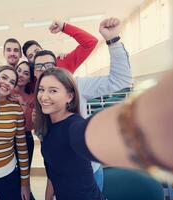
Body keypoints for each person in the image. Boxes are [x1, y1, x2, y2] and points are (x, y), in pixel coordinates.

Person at [34, 66, 173, 200]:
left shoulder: (74, 126)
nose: (44, 96)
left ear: (70, 96)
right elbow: (53, 173)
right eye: (41, 89)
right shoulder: (47, 127)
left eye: (53, 90)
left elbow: (90, 135)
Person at [33, 17, 132, 191]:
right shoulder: (40, 97)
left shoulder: (77, 86)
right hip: (60, 176)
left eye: (49, 64)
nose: (43, 69)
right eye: (38, 66)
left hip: (87, 173)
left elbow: (120, 80)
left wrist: (113, 40)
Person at [0, 66, 30, 200]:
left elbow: (22, 148)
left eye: (12, 82)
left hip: (8, 176)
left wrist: (25, 183)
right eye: (4, 77)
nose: (7, 83)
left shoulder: (15, 110)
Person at [22, 20, 98, 73]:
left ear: (43, 49)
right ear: (30, 62)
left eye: (37, 51)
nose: (36, 55)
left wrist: (64, 27)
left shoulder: (63, 62)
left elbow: (90, 42)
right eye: (31, 56)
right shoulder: (29, 78)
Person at [8, 61, 36, 199]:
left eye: (26, 73)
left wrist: (22, 104)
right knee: (10, 177)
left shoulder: (32, 96)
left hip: (25, 137)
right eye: (19, 70)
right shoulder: (6, 88)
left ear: (30, 78)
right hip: (7, 138)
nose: (21, 75)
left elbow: (30, 125)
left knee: (24, 176)